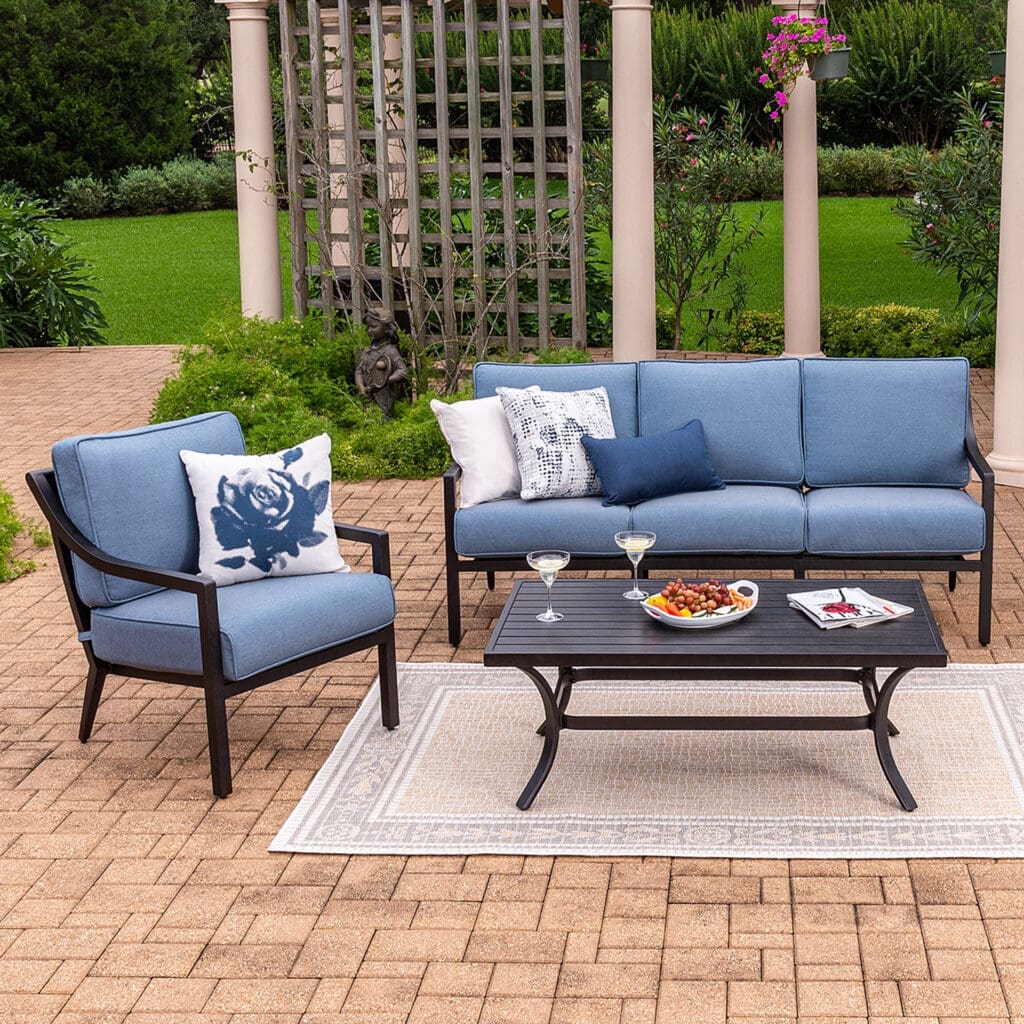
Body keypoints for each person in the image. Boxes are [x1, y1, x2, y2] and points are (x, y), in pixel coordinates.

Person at [355, 308, 409, 420]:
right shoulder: (367, 352)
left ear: (385, 328)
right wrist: (361, 387)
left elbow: (403, 372)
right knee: (368, 418)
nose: (369, 330)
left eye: (373, 327)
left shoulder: (390, 351)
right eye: (368, 327)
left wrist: (384, 381)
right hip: (368, 395)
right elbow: (359, 371)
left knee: (383, 419)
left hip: (384, 397)